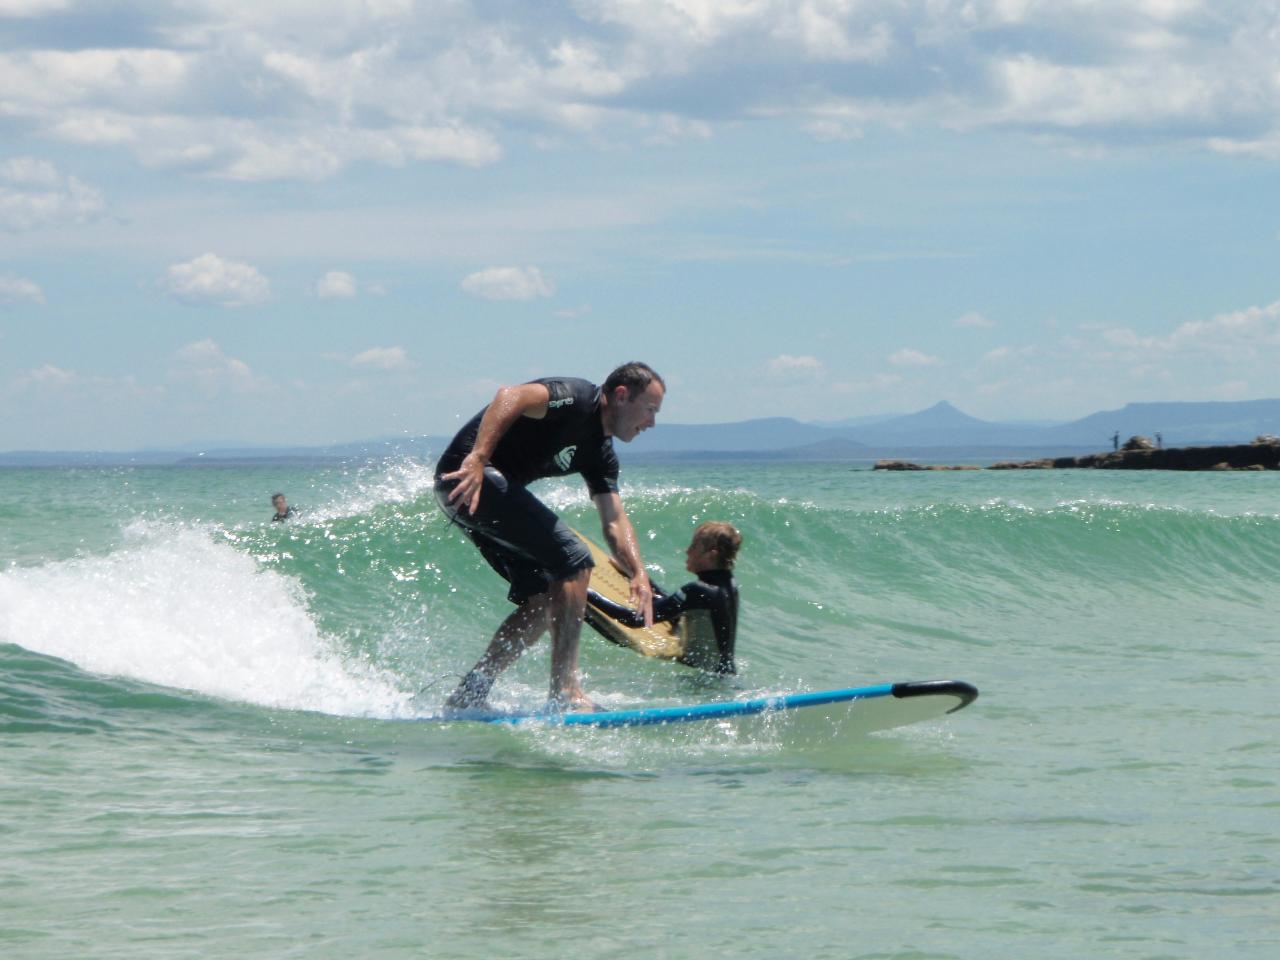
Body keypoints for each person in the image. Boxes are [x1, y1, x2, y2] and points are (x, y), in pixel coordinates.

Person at [434, 362, 665, 711]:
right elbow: (510, 396)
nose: (651, 422)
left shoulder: (600, 454)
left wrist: (638, 572)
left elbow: (615, 520)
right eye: (649, 409)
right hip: (468, 477)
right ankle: (565, 691)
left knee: (544, 601)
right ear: (621, 395)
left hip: (481, 495)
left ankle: (470, 693)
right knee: (575, 560)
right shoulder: (577, 399)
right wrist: (478, 458)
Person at [587, 521, 741, 675]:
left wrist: (586, 591)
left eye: (694, 546)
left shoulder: (698, 591)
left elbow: (634, 619)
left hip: (698, 679)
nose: (687, 551)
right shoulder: (729, 585)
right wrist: (638, 576)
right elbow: (673, 608)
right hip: (723, 676)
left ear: (711, 555)